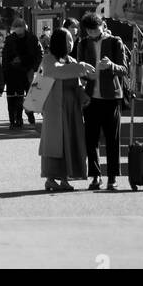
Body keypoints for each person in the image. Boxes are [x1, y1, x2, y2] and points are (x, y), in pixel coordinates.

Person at [77, 11, 129, 192]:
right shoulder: (83, 43)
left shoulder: (115, 42)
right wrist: (83, 74)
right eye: (89, 31)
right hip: (90, 97)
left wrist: (111, 66)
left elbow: (124, 69)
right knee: (91, 139)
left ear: (103, 26)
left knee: (112, 139)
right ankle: (96, 175)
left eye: (95, 30)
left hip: (111, 97)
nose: (92, 34)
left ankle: (113, 177)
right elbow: (79, 68)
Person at [38, 27, 95, 191]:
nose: (71, 42)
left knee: (69, 142)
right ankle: (50, 178)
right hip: (54, 108)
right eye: (68, 39)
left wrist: (84, 97)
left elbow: (76, 84)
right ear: (59, 41)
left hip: (71, 108)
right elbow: (55, 72)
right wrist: (80, 67)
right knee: (55, 143)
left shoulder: (71, 60)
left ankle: (64, 177)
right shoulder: (48, 59)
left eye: (72, 39)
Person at [2, 18, 43, 130]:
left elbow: (39, 54)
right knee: (16, 97)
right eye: (16, 26)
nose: (19, 28)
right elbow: (5, 57)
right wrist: (6, 70)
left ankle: (30, 113)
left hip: (28, 70)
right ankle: (16, 119)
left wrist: (34, 68)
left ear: (25, 27)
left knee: (30, 95)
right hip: (13, 72)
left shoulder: (32, 39)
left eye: (21, 26)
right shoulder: (9, 40)